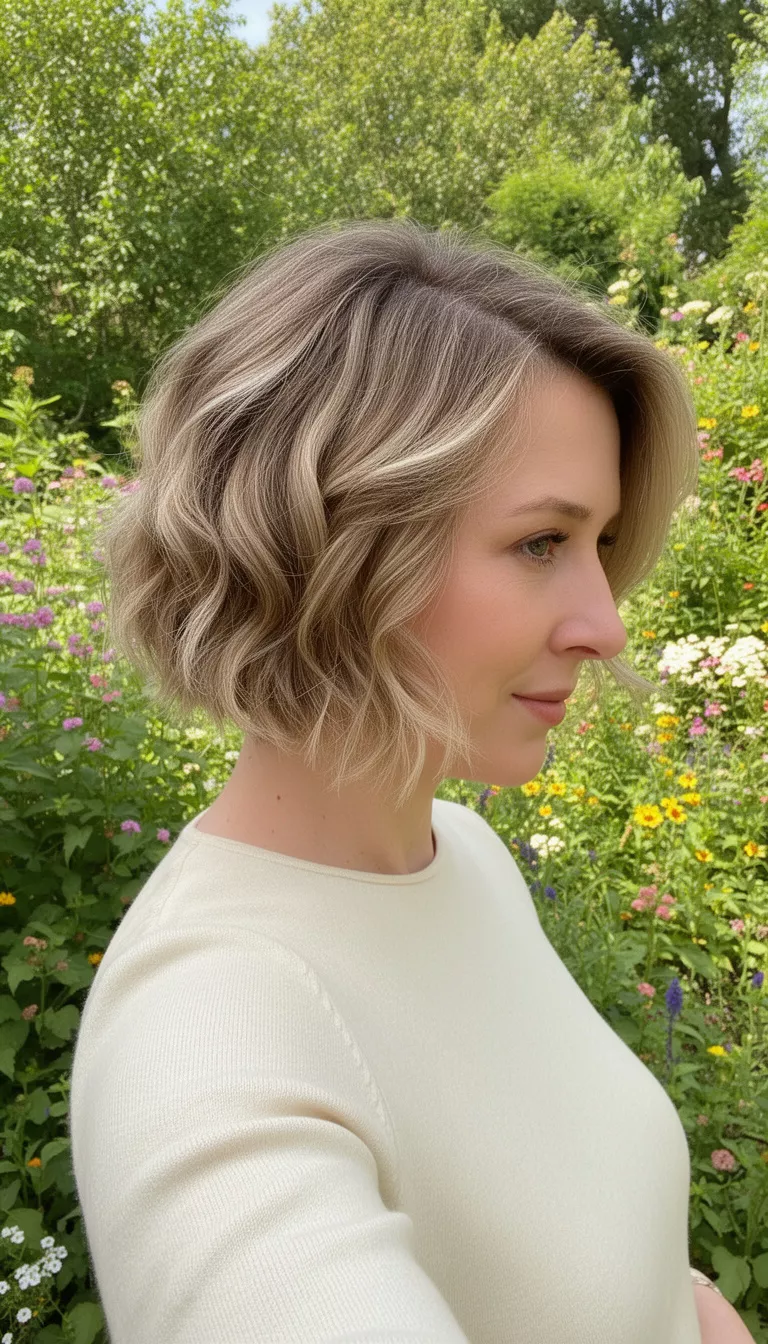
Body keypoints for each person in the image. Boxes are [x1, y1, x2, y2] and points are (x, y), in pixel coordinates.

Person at [69, 219, 747, 1342]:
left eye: (603, 542)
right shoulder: (205, 1034)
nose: (605, 623)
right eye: (542, 542)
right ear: (328, 550)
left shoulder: (462, 857)